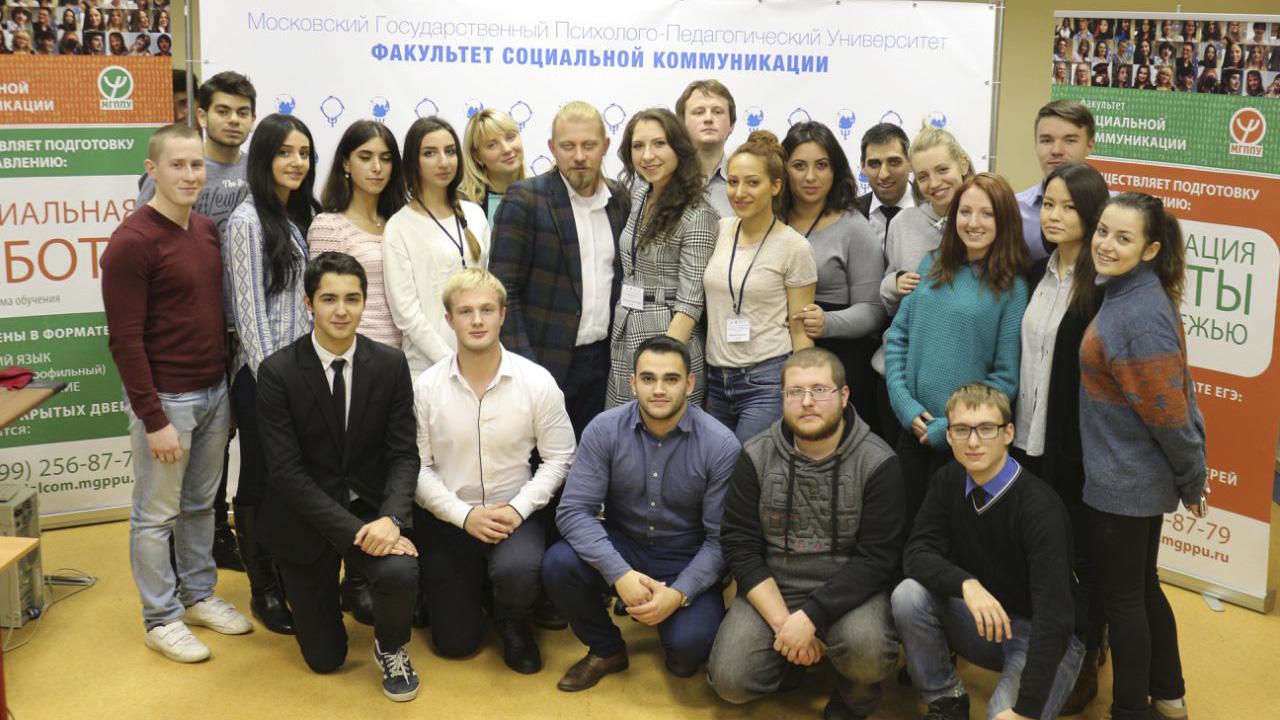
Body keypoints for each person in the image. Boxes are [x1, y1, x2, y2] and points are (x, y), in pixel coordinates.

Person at [101, 124, 253, 663]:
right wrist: (153, 418)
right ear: (152, 170)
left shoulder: (206, 230)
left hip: (212, 392)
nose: (190, 175)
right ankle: (160, 617)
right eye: (177, 165)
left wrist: (224, 394)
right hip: (166, 401)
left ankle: (198, 594)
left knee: (200, 506)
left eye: (196, 165)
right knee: (155, 514)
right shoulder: (131, 242)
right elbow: (124, 340)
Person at [255, 252, 422, 702]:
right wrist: (359, 534)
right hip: (303, 516)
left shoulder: (390, 365)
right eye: (329, 299)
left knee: (401, 570)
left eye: (352, 298)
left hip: (368, 505)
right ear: (309, 303)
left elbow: (403, 454)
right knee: (325, 658)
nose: (342, 310)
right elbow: (286, 474)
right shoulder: (277, 372)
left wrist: (391, 519)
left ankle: (391, 647)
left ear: (365, 302)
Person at [708, 348, 903, 720]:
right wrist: (785, 625)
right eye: (795, 392)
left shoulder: (879, 461)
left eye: (820, 390)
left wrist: (811, 616)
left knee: (868, 654)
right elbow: (739, 544)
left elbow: (878, 559)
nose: (807, 401)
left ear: (844, 396)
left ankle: (855, 696)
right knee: (731, 681)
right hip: (775, 587)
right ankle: (792, 658)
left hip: (851, 592)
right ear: (782, 398)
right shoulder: (755, 455)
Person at [543, 335, 741, 691]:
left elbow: (720, 540)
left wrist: (678, 594)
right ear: (633, 383)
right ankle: (606, 650)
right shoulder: (604, 429)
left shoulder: (721, 445)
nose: (659, 389)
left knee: (689, 651)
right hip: (625, 544)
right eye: (648, 378)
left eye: (671, 379)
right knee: (559, 564)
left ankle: (671, 623)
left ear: (690, 384)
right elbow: (573, 511)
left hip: (685, 555)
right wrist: (619, 574)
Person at [1080, 193, 1207, 720]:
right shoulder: (1131, 293)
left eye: (1123, 237)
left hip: (1124, 484)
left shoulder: (1137, 316)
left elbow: (1170, 415)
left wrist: (1192, 476)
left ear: (1151, 249)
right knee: (1143, 589)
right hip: (1131, 475)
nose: (1106, 244)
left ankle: (1131, 710)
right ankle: (1170, 695)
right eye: (1102, 231)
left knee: (1125, 601)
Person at [412, 268, 575, 673]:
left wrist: (518, 509)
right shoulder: (425, 388)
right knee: (455, 644)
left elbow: (560, 457)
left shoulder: (537, 382)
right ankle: (458, 591)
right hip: (450, 516)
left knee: (517, 570)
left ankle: (512, 616)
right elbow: (416, 468)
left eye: (487, 310)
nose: (477, 320)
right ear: (449, 319)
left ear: (503, 314)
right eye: (465, 311)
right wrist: (464, 516)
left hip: (513, 514)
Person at [892, 383, 1086, 720]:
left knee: (1005, 715)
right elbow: (917, 552)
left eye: (986, 429)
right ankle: (946, 700)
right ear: (948, 436)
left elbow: (1054, 617)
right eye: (961, 430)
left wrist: (1026, 709)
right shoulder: (948, 480)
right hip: (986, 620)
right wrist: (967, 584)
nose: (973, 441)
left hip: (1046, 635)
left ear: (1008, 433)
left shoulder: (1040, 508)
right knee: (908, 595)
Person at [137, 70, 255, 573]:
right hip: (184, 331)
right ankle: (169, 551)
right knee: (174, 458)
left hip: (235, 328)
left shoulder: (254, 169)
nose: (233, 120)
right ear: (202, 115)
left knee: (218, 440)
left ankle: (215, 536)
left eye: (243, 112)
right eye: (223, 110)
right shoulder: (179, 168)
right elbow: (149, 241)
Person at [1012, 163, 1110, 714]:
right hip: (1028, 436)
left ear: (1092, 214)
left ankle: (1089, 654)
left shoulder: (1102, 286)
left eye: (1069, 207)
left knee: (1081, 555)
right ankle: (1042, 648)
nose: (1054, 215)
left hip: (1076, 445)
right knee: (1041, 549)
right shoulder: (1035, 273)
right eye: (1048, 204)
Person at [884, 172, 1028, 525]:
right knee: (905, 529)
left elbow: (1004, 379)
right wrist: (904, 405)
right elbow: (898, 338)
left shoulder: (1012, 288)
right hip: (913, 429)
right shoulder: (930, 264)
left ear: (1004, 220)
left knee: (952, 537)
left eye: (986, 214)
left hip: (968, 442)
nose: (973, 223)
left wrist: (953, 427)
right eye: (965, 212)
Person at [223, 113, 320, 635]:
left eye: (303, 152)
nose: (296, 162)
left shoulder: (299, 215)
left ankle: (289, 576)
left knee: (293, 479)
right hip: (262, 379)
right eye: (285, 152)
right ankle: (263, 590)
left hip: (301, 375)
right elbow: (250, 318)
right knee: (259, 478)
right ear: (263, 157)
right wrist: (275, 385)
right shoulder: (246, 221)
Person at [490, 101, 629, 439]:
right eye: (568, 146)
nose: (579, 156)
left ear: (605, 146)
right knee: (542, 464)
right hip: (542, 364)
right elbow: (503, 292)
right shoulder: (525, 199)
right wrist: (526, 371)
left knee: (594, 462)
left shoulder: (620, 200)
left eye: (589, 145)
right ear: (552, 147)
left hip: (604, 365)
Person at [703, 130, 817, 442]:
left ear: (776, 186)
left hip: (766, 379)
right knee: (715, 465)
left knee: (745, 464)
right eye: (733, 181)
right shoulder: (720, 229)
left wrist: (802, 389)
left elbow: (801, 331)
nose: (739, 192)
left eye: (752, 183)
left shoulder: (794, 247)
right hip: (716, 378)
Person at [605, 108, 717, 408]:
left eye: (659, 144)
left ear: (678, 147)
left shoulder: (698, 213)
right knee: (623, 430)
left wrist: (662, 366)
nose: (647, 155)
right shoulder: (640, 195)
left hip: (669, 338)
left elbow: (690, 304)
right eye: (638, 146)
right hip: (626, 330)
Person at [782, 122, 887, 437]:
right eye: (799, 166)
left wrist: (827, 323)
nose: (810, 176)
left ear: (836, 169)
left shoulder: (854, 226)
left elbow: (873, 309)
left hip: (838, 360)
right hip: (771, 360)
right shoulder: (770, 219)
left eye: (821, 165)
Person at [873, 125, 973, 446]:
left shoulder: (982, 223)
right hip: (899, 376)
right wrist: (894, 284)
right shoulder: (904, 223)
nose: (934, 183)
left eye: (942, 170)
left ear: (963, 163)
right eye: (923, 176)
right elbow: (889, 301)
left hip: (959, 384)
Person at [383, 116, 490, 380]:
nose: (443, 162)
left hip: (480, 360)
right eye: (429, 153)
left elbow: (490, 289)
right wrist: (451, 361)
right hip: (427, 369)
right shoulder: (399, 226)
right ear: (413, 161)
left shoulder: (475, 214)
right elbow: (406, 314)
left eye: (450, 151)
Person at [310, 120, 406, 349]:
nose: (377, 167)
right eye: (365, 157)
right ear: (346, 163)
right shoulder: (329, 225)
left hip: (406, 353)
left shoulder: (401, 223)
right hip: (356, 352)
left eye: (386, 159)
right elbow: (324, 301)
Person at [1016, 100, 1096, 262]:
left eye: (1070, 140)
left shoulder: (1113, 209)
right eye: (1047, 140)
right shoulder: (1014, 210)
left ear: (1090, 145)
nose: (1056, 150)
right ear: (1036, 145)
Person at [675, 79, 736, 218]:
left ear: (731, 124)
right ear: (681, 123)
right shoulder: (663, 179)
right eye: (698, 112)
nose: (708, 118)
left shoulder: (745, 184)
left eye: (717, 112)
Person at [458, 108, 526, 225]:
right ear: (477, 157)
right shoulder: (462, 205)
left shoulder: (542, 196)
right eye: (492, 145)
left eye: (510, 137)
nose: (507, 149)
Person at [854, 122, 914, 251]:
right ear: (863, 167)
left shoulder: (932, 210)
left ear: (910, 162)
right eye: (874, 164)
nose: (884, 174)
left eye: (894, 162)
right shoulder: (850, 214)